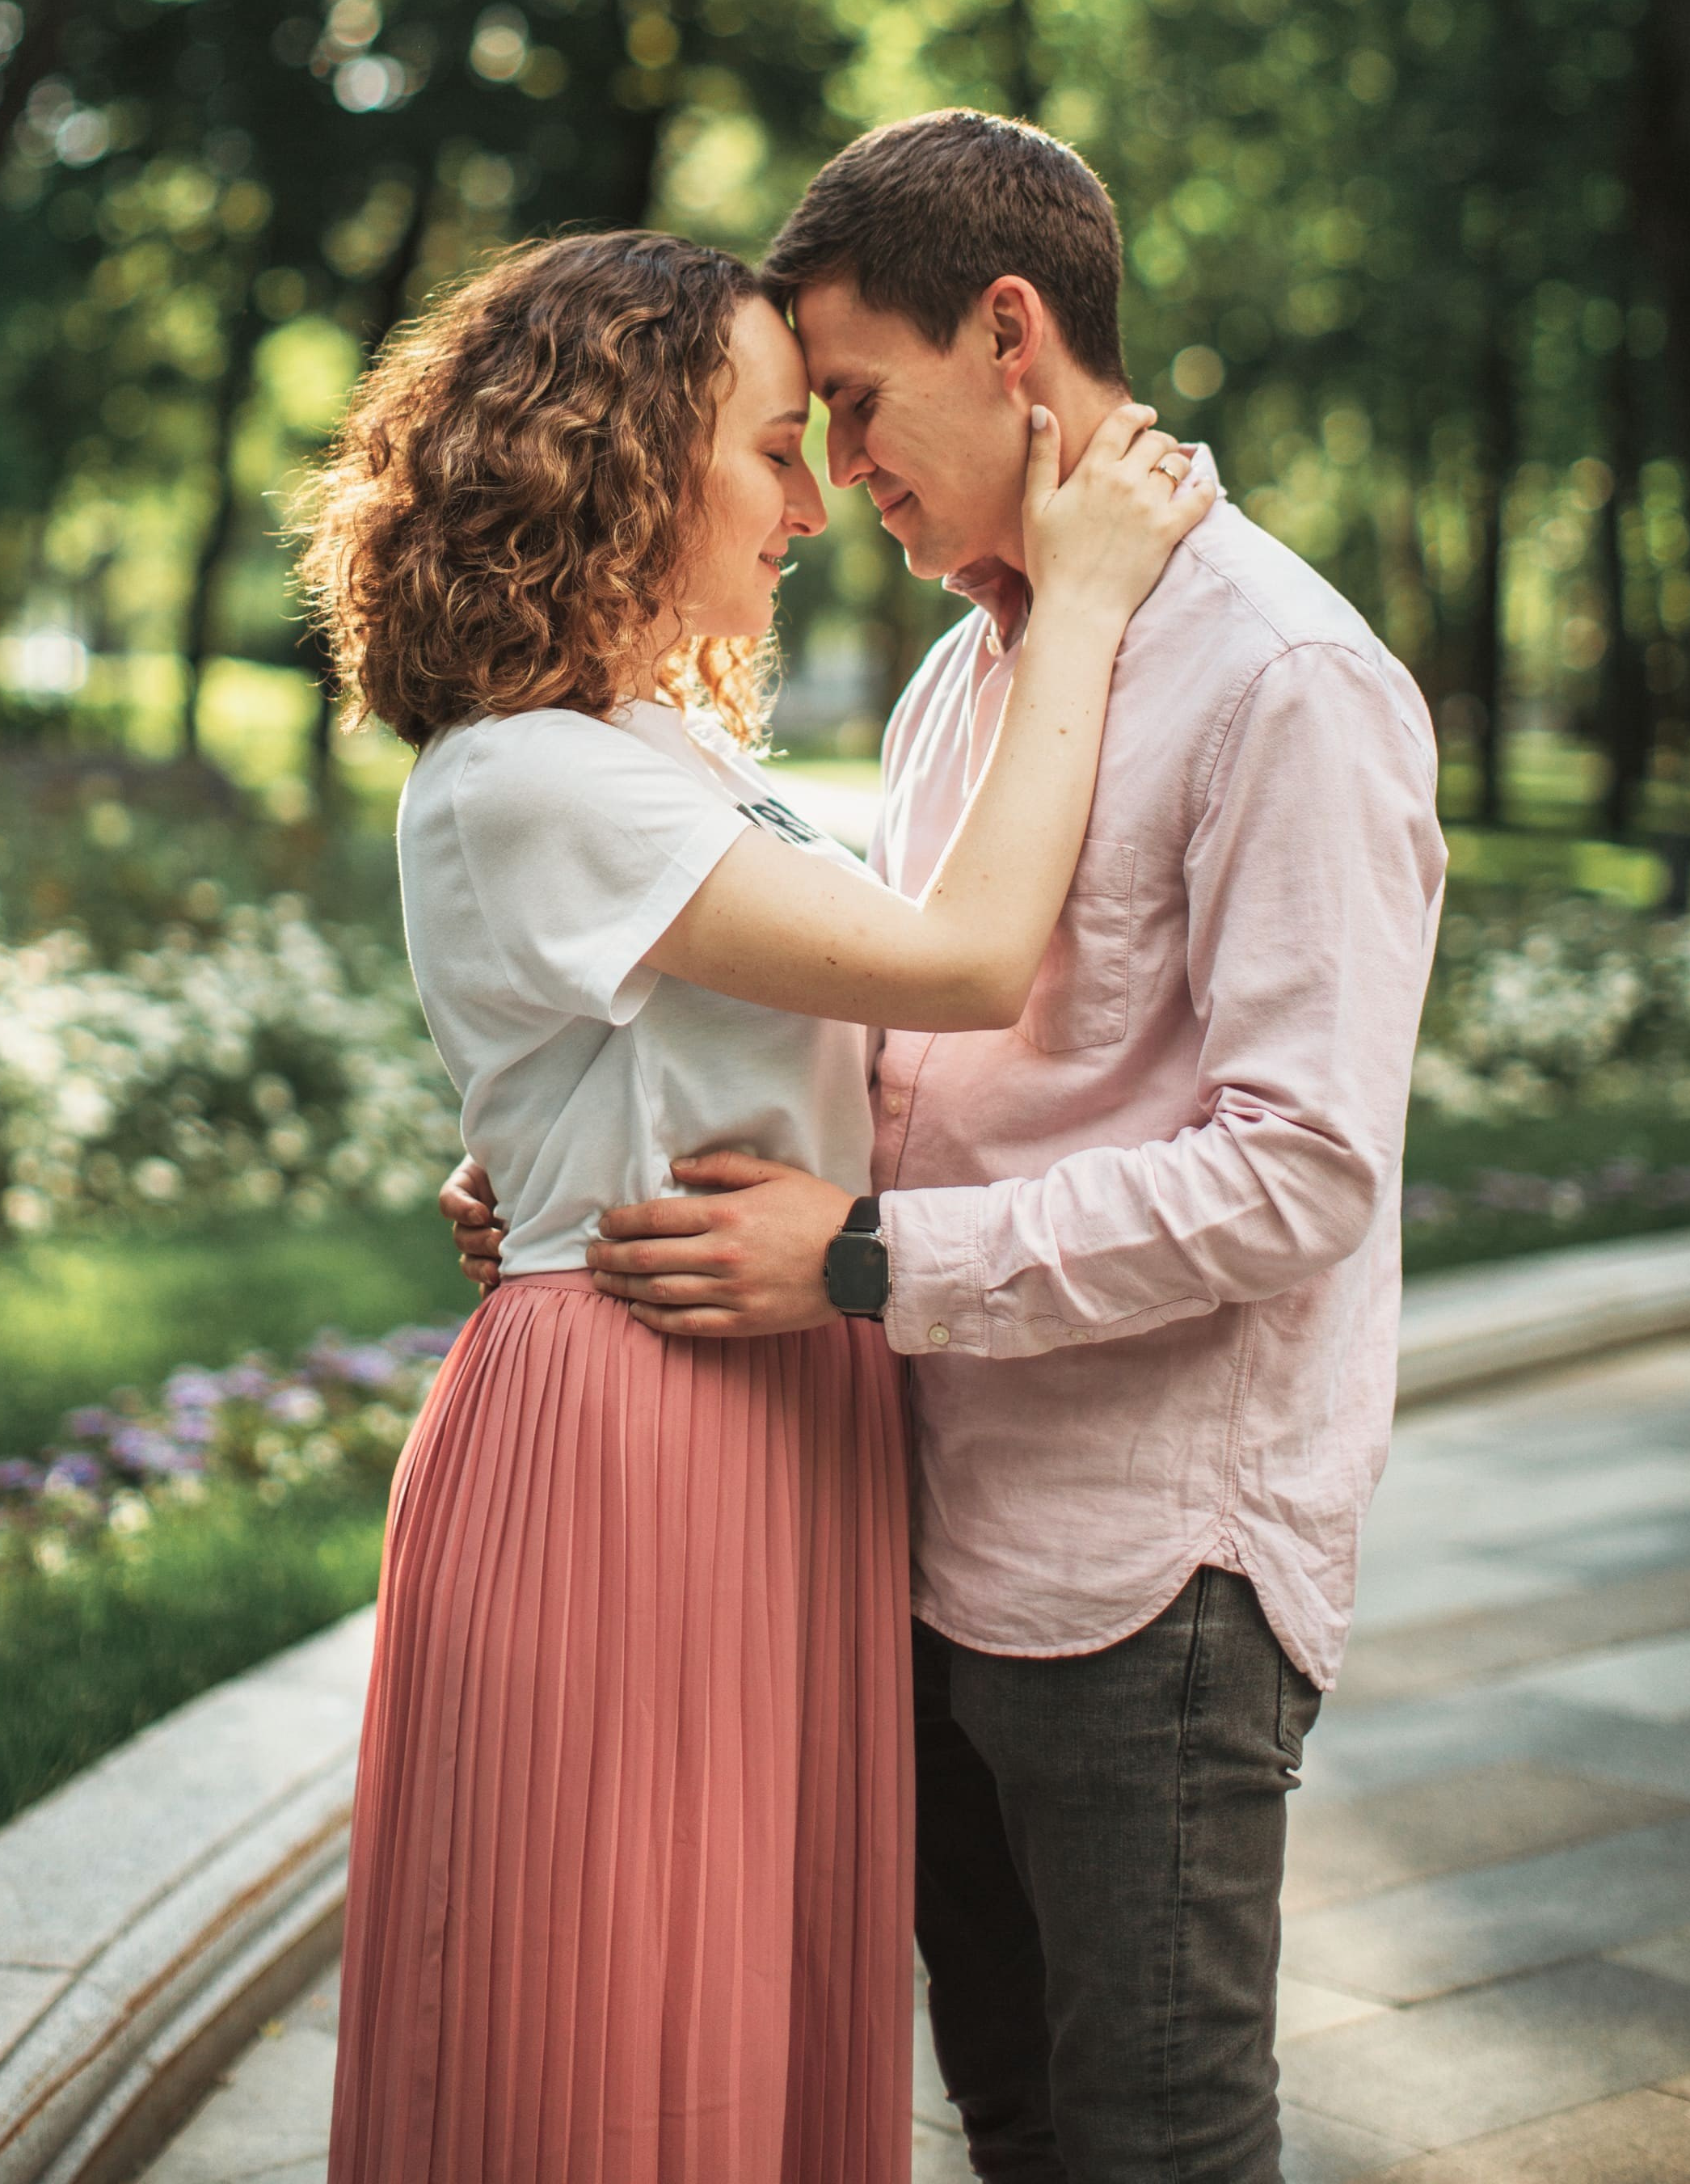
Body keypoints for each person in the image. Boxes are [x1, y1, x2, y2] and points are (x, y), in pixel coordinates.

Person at [445, 114, 1447, 2184]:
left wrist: (869, 1262)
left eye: (858, 405)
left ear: (1013, 336)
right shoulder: (954, 681)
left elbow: (1301, 1177)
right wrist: (591, 1160)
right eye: (794, 430)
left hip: (1141, 1572)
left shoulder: (1285, 680)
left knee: (1152, 2148)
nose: (829, 476)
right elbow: (900, 1042)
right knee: (1010, 2128)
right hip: (923, 1536)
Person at [301, 223, 1205, 2184]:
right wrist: (1084, 606)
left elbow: (766, 1028)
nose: (810, 502)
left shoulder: (653, 748)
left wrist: (551, 1140)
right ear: (623, 464)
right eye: (772, 448)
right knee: (622, 2022)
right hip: (645, 1421)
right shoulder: (536, 772)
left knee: (749, 2005)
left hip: (773, 1401)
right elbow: (963, 957)